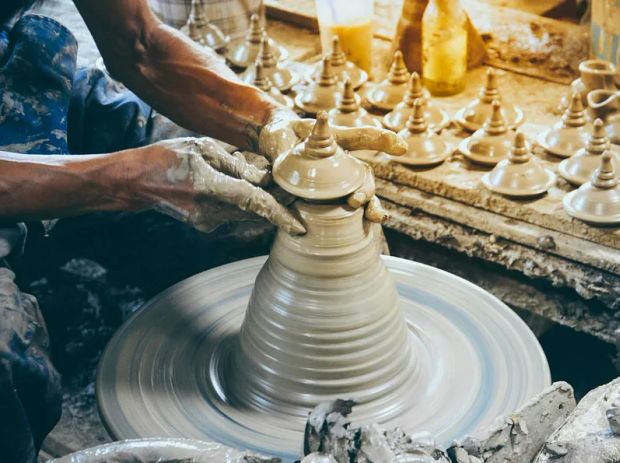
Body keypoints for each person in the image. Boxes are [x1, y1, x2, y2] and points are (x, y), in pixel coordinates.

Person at [0, 1, 406, 461]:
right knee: (6, 366)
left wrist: (267, 122)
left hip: (13, 83)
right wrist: (122, 179)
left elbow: (140, 43)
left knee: (266, 194)